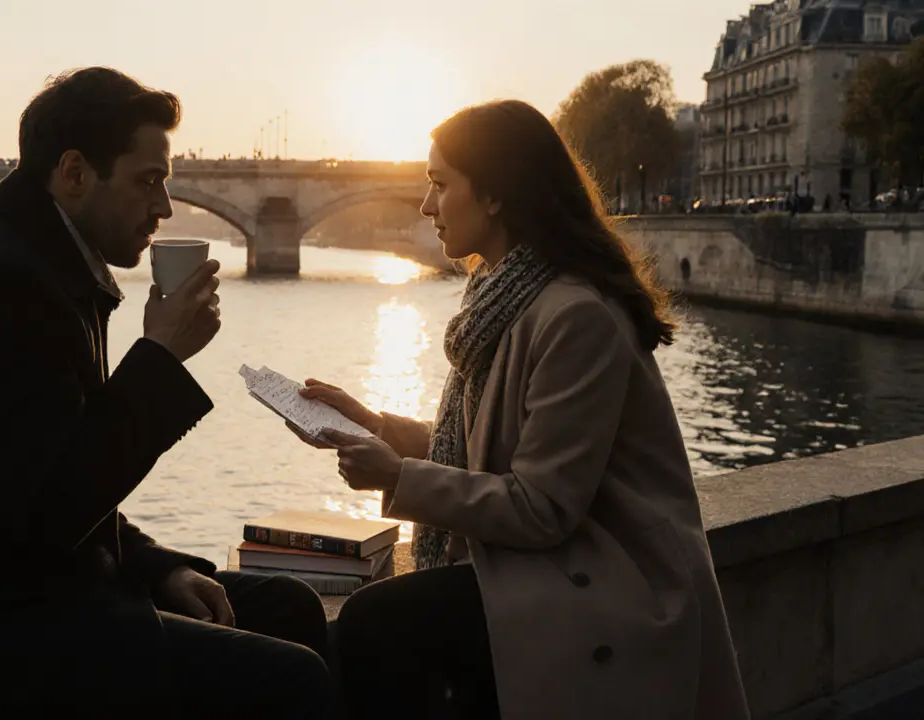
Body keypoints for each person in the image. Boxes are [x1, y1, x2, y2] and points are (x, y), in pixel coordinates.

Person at [0, 67, 331, 719]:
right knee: (294, 680)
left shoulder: (37, 263)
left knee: (288, 607)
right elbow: (47, 511)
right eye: (149, 180)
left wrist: (156, 567)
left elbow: (43, 476)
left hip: (5, 593)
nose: (166, 206)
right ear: (75, 172)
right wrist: (160, 358)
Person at [293, 100, 751, 718]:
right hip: (555, 565)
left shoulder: (574, 316)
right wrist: (380, 429)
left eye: (438, 184)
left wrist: (397, 479)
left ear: (495, 196)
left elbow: (541, 507)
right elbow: (495, 449)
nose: (425, 207)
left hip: (611, 584)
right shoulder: (510, 300)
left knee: (376, 623)